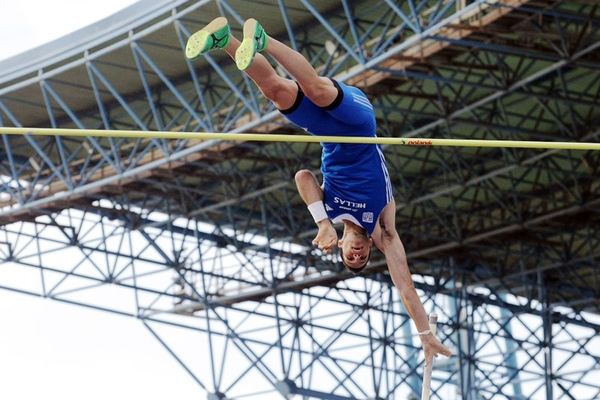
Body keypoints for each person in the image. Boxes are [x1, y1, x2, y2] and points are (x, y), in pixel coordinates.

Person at [186, 17, 452, 363]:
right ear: (370, 247)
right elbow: (405, 288)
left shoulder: (329, 212)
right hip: (358, 124)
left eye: (348, 256)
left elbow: (302, 176)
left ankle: (224, 39)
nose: (356, 255)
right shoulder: (384, 231)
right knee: (317, 90)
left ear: (340, 245)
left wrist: (323, 223)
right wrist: (425, 335)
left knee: (274, 90)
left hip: (327, 131)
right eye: (361, 257)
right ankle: (264, 38)